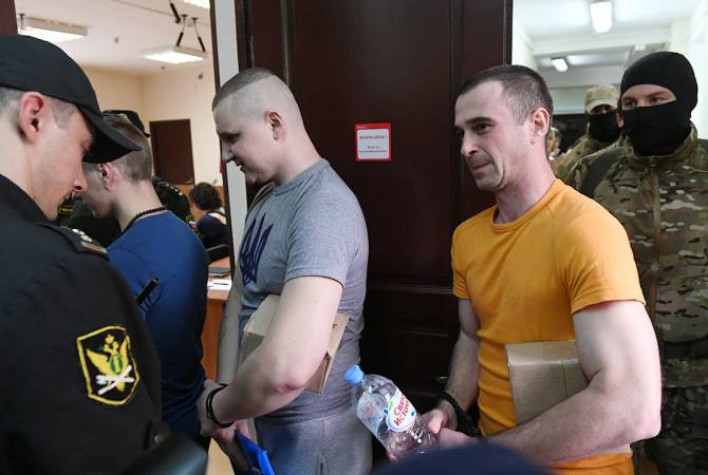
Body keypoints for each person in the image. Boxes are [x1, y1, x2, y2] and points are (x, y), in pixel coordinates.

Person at [424, 65, 661, 474]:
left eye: (482, 127)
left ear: (537, 124)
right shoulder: (467, 237)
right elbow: (473, 337)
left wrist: (485, 452)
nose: (466, 147)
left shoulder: (586, 230)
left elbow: (634, 408)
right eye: (461, 133)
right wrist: (450, 405)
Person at [0, 35, 163, 473]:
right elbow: (114, 457)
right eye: (82, 149)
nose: (78, 180)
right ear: (34, 117)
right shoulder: (61, 273)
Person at [196, 67, 371, 475]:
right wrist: (230, 397)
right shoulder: (266, 198)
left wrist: (216, 407)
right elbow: (241, 297)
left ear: (275, 124)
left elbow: (289, 370)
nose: (225, 155)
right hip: (257, 420)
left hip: (314, 437)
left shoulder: (325, 207)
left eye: (231, 137)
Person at [570, 51, 708, 474]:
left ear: (685, 100)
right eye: (630, 103)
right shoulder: (592, 173)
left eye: (656, 100)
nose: (642, 112)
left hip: (697, 379)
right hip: (610, 371)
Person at [73, 114, 210, 448]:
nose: (76, 186)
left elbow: (109, 372)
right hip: (191, 413)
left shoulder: (123, 260)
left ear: (105, 173)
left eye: (80, 174)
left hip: (154, 430)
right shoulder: (185, 234)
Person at [553, 84, 621, 182]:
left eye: (608, 108)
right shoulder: (578, 155)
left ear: (618, 111)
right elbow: (561, 182)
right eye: (596, 110)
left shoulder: (633, 147)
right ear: (588, 114)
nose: (603, 113)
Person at [189, 182, 229, 248]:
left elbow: (194, 243)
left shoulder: (206, 221)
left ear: (196, 203)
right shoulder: (227, 211)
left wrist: (190, 222)